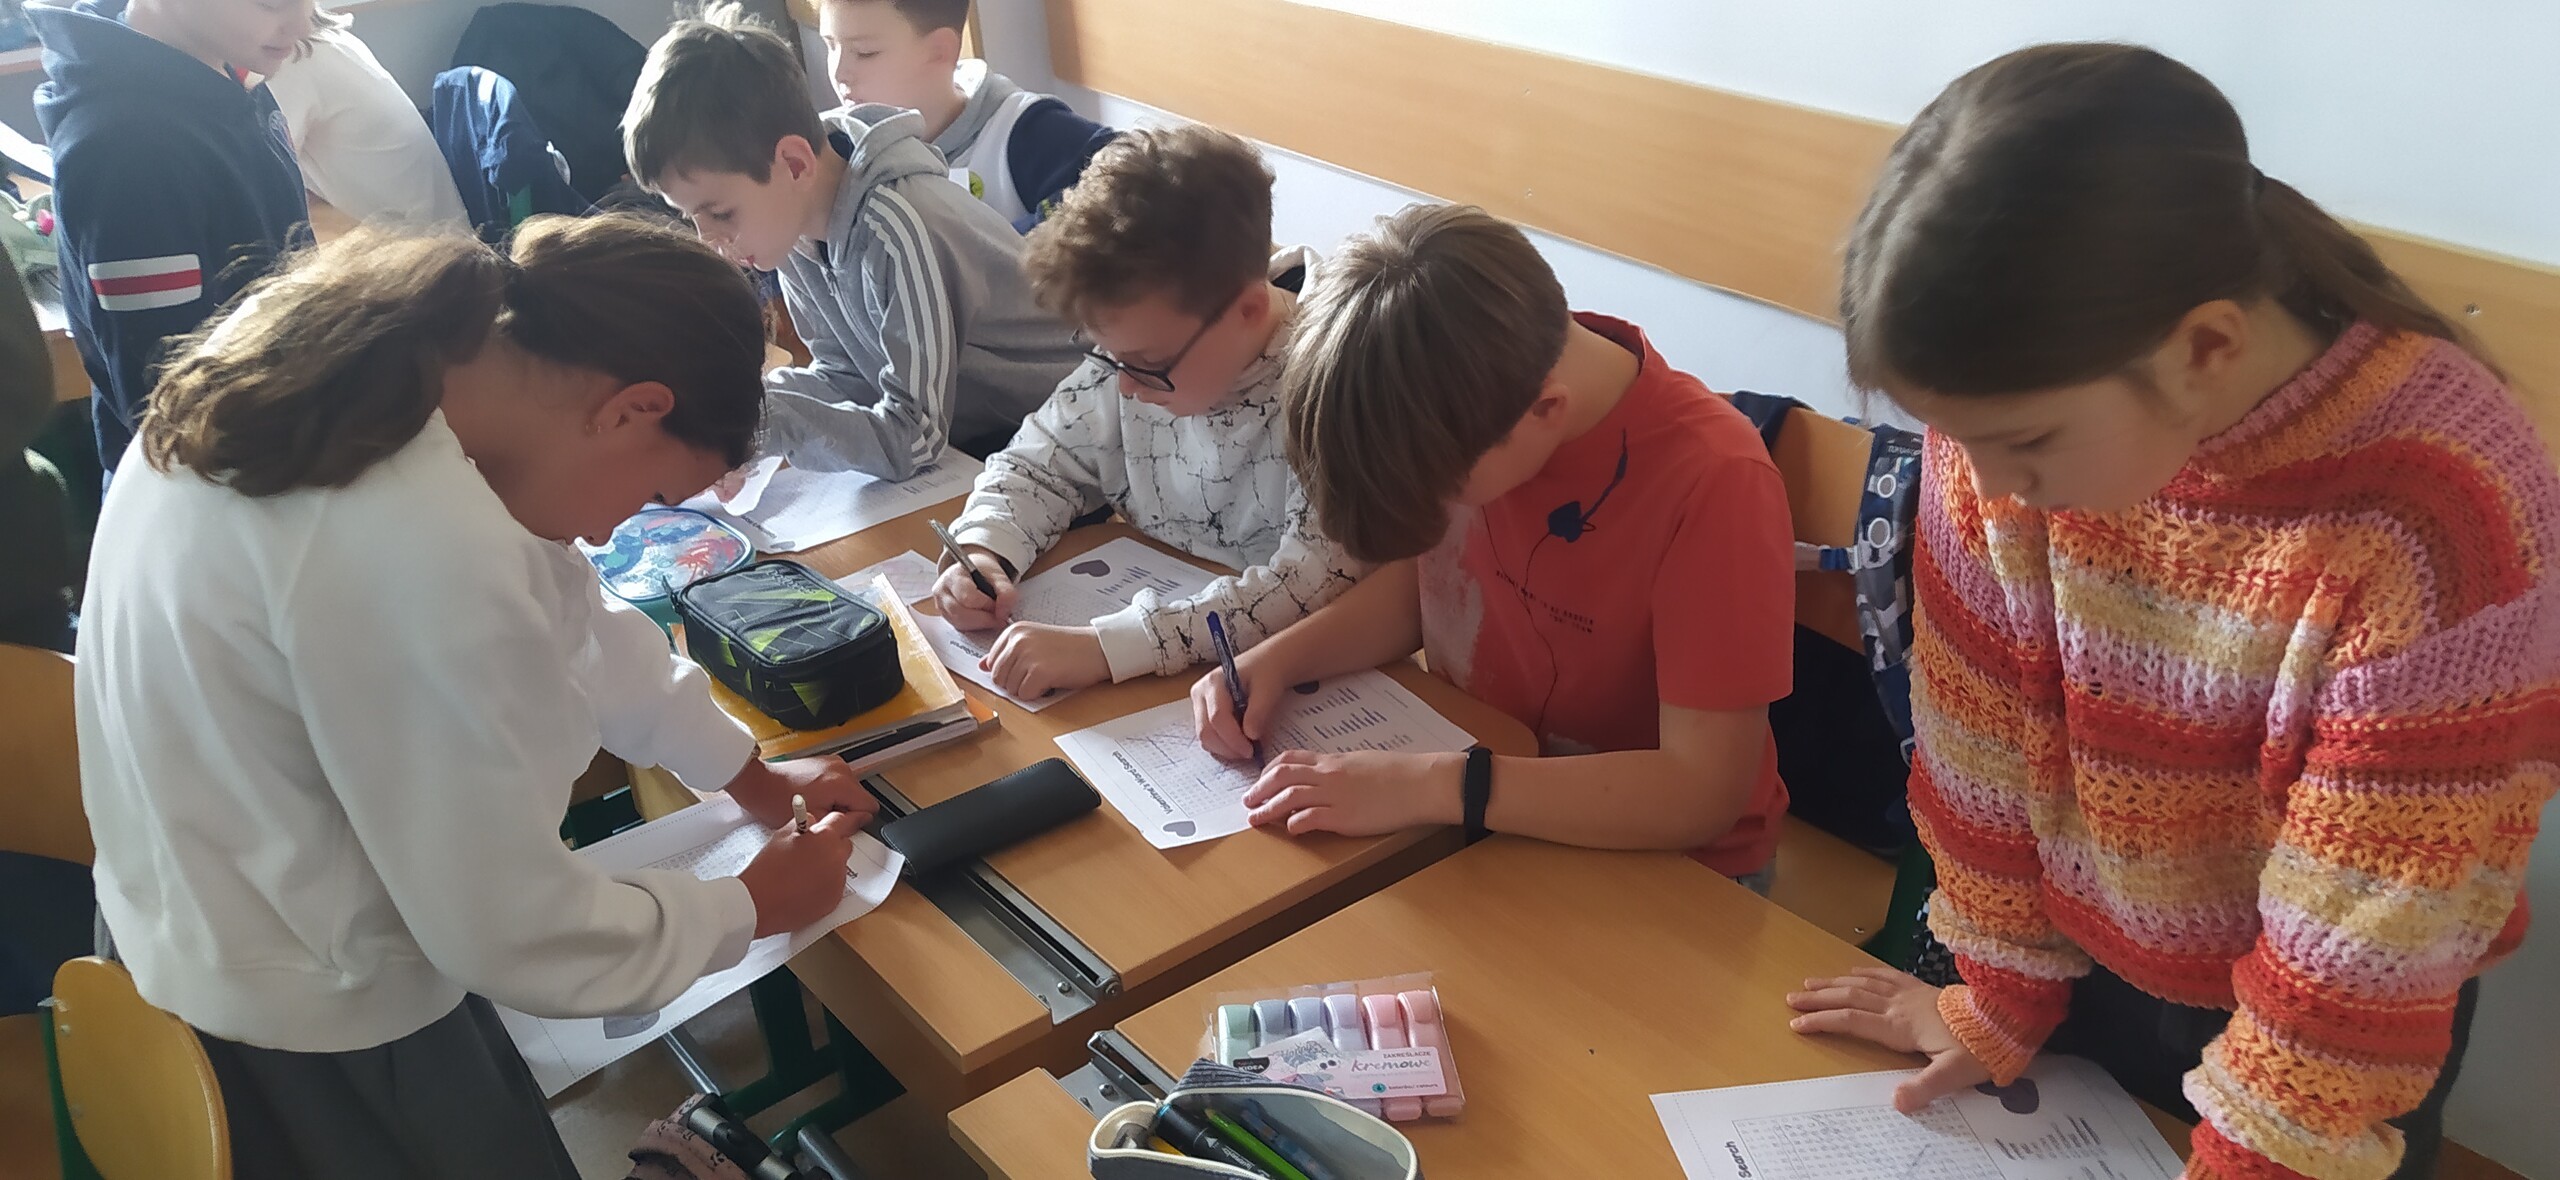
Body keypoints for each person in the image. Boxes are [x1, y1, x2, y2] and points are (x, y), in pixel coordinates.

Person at [1782, 43, 2559, 1180]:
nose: (1987, 484)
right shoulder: (2007, 431)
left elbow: (2364, 941)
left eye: (2025, 443)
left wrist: (2257, 1153)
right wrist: (1996, 986)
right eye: (1961, 437)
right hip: (2089, 953)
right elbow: (1979, 737)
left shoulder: (2444, 513)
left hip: (2333, 1023)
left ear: (2205, 348)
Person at [76, 216, 880, 1179]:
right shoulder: (417, 542)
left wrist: (751, 777)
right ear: (632, 409)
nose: (618, 530)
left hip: (178, 926)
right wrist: (747, 905)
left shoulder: (364, 367)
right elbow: (514, 929)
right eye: (656, 493)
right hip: (310, 1023)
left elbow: (571, 617)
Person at [1194, 203, 1796, 889]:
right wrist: (1276, 661)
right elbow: (1430, 591)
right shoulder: (1475, 400)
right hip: (1480, 793)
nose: (1443, 510)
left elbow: (1701, 792)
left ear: (1546, 412)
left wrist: (1430, 786)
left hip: (1672, 864)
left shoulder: (1716, 481)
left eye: (1447, 493)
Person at [931, 125, 1359, 699]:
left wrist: (1106, 648)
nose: (1125, 386)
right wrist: (985, 549)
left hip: (1302, 680)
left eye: (1148, 364)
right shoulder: (1138, 350)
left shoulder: (1336, 386)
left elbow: (1305, 586)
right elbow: (1039, 462)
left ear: (1249, 310)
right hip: (1173, 667)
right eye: (1107, 356)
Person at [625, 4, 1081, 477]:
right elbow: (848, 376)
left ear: (794, 165)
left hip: (1078, 429)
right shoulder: (791, 226)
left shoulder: (895, 227)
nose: (708, 238)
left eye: (720, 213)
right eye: (691, 216)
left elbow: (915, 437)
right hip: (990, 441)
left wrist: (764, 424)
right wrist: (741, 409)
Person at [30, 0, 313, 487]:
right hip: (210, 478)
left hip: (280, 419)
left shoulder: (227, 76)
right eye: (271, 2)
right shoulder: (128, 150)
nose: (303, 22)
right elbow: (169, 396)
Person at [814, 0, 1115, 228]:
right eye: (830, 46)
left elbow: (1127, 177)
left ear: (940, 51)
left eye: (865, 53)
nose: (840, 73)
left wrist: (1000, 250)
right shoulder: (834, 151)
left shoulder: (1022, 131)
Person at [264, 8, 470, 229]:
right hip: (434, 232)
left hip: (416, 242)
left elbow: (268, 186)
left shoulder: (291, 61)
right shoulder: (329, 40)